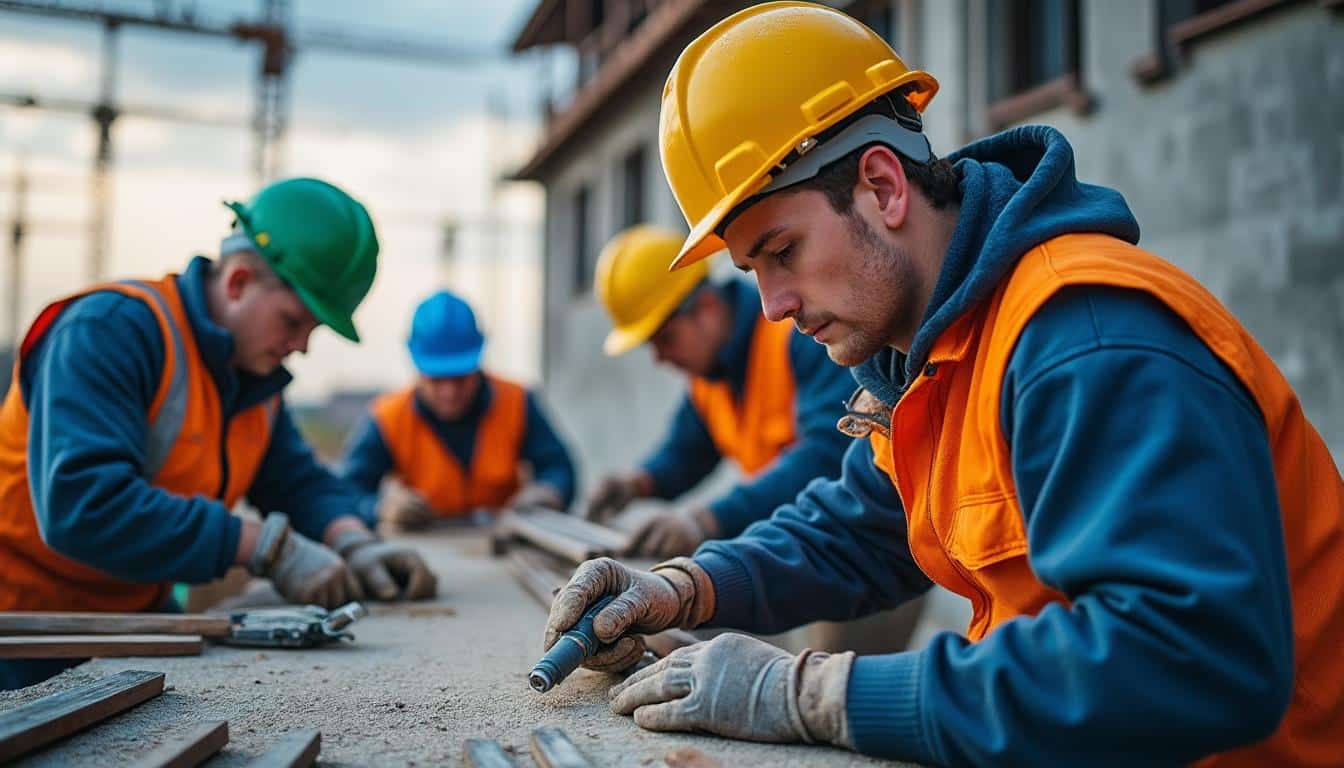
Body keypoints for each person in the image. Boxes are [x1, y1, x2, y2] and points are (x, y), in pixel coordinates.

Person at [543, 4, 1344, 765]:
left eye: (781, 250)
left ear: (885, 187)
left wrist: (817, 695)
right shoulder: (935, 354)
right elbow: (860, 529)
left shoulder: (1084, 341)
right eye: (751, 271)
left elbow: (1191, 665)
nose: (774, 306)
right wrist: (686, 588)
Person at [0, 177, 437, 690]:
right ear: (238, 281)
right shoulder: (109, 332)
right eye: (294, 321)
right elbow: (83, 506)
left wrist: (355, 540)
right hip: (21, 630)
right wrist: (264, 548)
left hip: (135, 619)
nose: (300, 346)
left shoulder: (252, 380)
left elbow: (297, 481)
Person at [586, 224, 852, 556]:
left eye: (665, 339)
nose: (659, 358)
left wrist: (707, 520)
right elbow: (687, 450)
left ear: (707, 307)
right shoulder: (710, 378)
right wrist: (638, 483)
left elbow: (828, 454)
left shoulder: (800, 336)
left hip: (861, 559)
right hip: (805, 551)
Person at [341, 290, 577, 526]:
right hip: (423, 549)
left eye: (460, 378)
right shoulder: (388, 418)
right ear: (416, 365)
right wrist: (379, 507)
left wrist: (549, 491)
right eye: (437, 379)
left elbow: (558, 466)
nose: (449, 392)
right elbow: (346, 491)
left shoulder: (516, 402)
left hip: (504, 543)